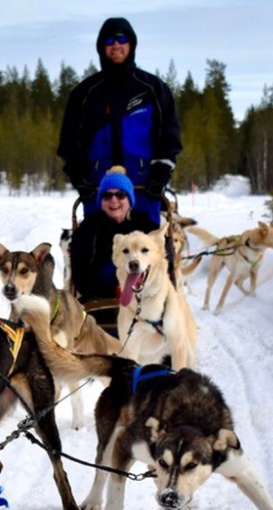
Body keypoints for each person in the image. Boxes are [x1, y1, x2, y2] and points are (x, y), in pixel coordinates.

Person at [58, 16, 182, 228]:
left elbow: (169, 140)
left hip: (144, 188)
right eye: (109, 41)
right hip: (101, 192)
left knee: (146, 255)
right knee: (99, 254)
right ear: (101, 47)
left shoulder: (153, 89)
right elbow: (69, 145)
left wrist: (160, 177)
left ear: (131, 44)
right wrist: (82, 181)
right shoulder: (85, 93)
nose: (116, 45)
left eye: (121, 39)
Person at [68, 166, 157, 334]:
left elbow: (160, 264)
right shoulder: (88, 229)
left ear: (129, 199)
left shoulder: (146, 226)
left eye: (120, 195)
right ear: (101, 201)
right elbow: (81, 275)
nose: (114, 200)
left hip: (145, 295)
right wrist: (113, 288)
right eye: (107, 196)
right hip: (100, 296)